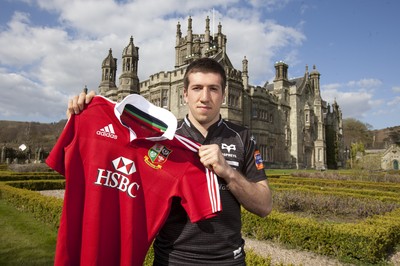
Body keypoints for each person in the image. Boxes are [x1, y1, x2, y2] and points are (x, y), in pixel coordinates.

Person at [68, 57, 273, 265]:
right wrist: (84, 121)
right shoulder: (162, 137)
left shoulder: (242, 137)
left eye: (213, 89)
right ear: (184, 94)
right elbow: (109, 161)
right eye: (196, 88)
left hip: (229, 260)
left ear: (223, 95)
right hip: (172, 260)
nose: (204, 97)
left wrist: (228, 171)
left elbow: (264, 206)